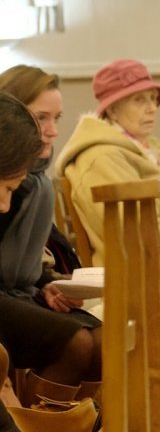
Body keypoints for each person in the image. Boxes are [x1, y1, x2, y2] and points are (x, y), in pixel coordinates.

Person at [56, 59, 160, 269]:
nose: (152, 108)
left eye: (153, 99)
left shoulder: (153, 150)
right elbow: (134, 233)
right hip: (147, 274)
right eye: (139, 100)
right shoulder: (101, 158)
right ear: (112, 110)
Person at [0, 71, 101, 392]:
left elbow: (34, 258)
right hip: (7, 294)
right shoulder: (13, 178)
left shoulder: (35, 180)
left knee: (104, 340)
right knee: (76, 344)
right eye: (40, 118)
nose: (52, 131)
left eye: (56, 118)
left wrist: (48, 283)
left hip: (21, 290)